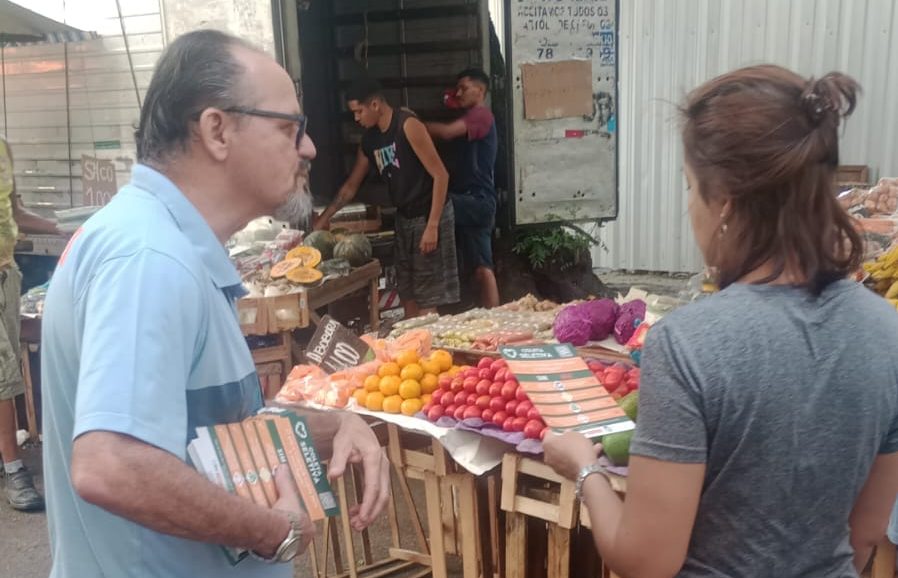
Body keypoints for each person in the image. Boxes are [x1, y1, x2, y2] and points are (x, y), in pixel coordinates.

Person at [41, 30, 390, 578]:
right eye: (289, 128)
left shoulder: (162, 245)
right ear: (217, 130)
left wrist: (331, 426)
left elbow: (208, 436)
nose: (309, 148)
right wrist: (272, 532)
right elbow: (110, 466)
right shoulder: (150, 258)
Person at [543, 65, 898, 578]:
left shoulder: (688, 346)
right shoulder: (884, 330)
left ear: (725, 205)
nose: (691, 208)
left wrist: (584, 470)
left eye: (691, 188)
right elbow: (865, 534)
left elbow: (645, 562)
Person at [313, 78, 459, 318]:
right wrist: (323, 220)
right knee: (407, 289)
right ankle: (414, 345)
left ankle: (431, 349)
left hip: (430, 212)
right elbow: (350, 187)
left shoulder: (407, 125)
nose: (356, 118)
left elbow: (440, 175)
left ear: (375, 105)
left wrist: (432, 226)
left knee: (428, 291)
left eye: (359, 111)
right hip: (404, 216)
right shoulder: (370, 140)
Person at [0, 135, 58, 511]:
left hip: (7, 273)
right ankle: (14, 468)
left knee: (8, 372)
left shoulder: (2, 147)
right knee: (3, 376)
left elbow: (14, 211)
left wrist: (62, 226)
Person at [426, 68, 500, 308]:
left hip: (475, 199)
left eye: (464, 88)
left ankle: (431, 303)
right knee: (481, 270)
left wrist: (412, 127)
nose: (459, 92)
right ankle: (495, 319)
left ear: (480, 91)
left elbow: (447, 133)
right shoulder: (471, 114)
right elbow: (449, 100)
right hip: (478, 200)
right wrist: (455, 96)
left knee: (434, 204)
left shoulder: (481, 115)